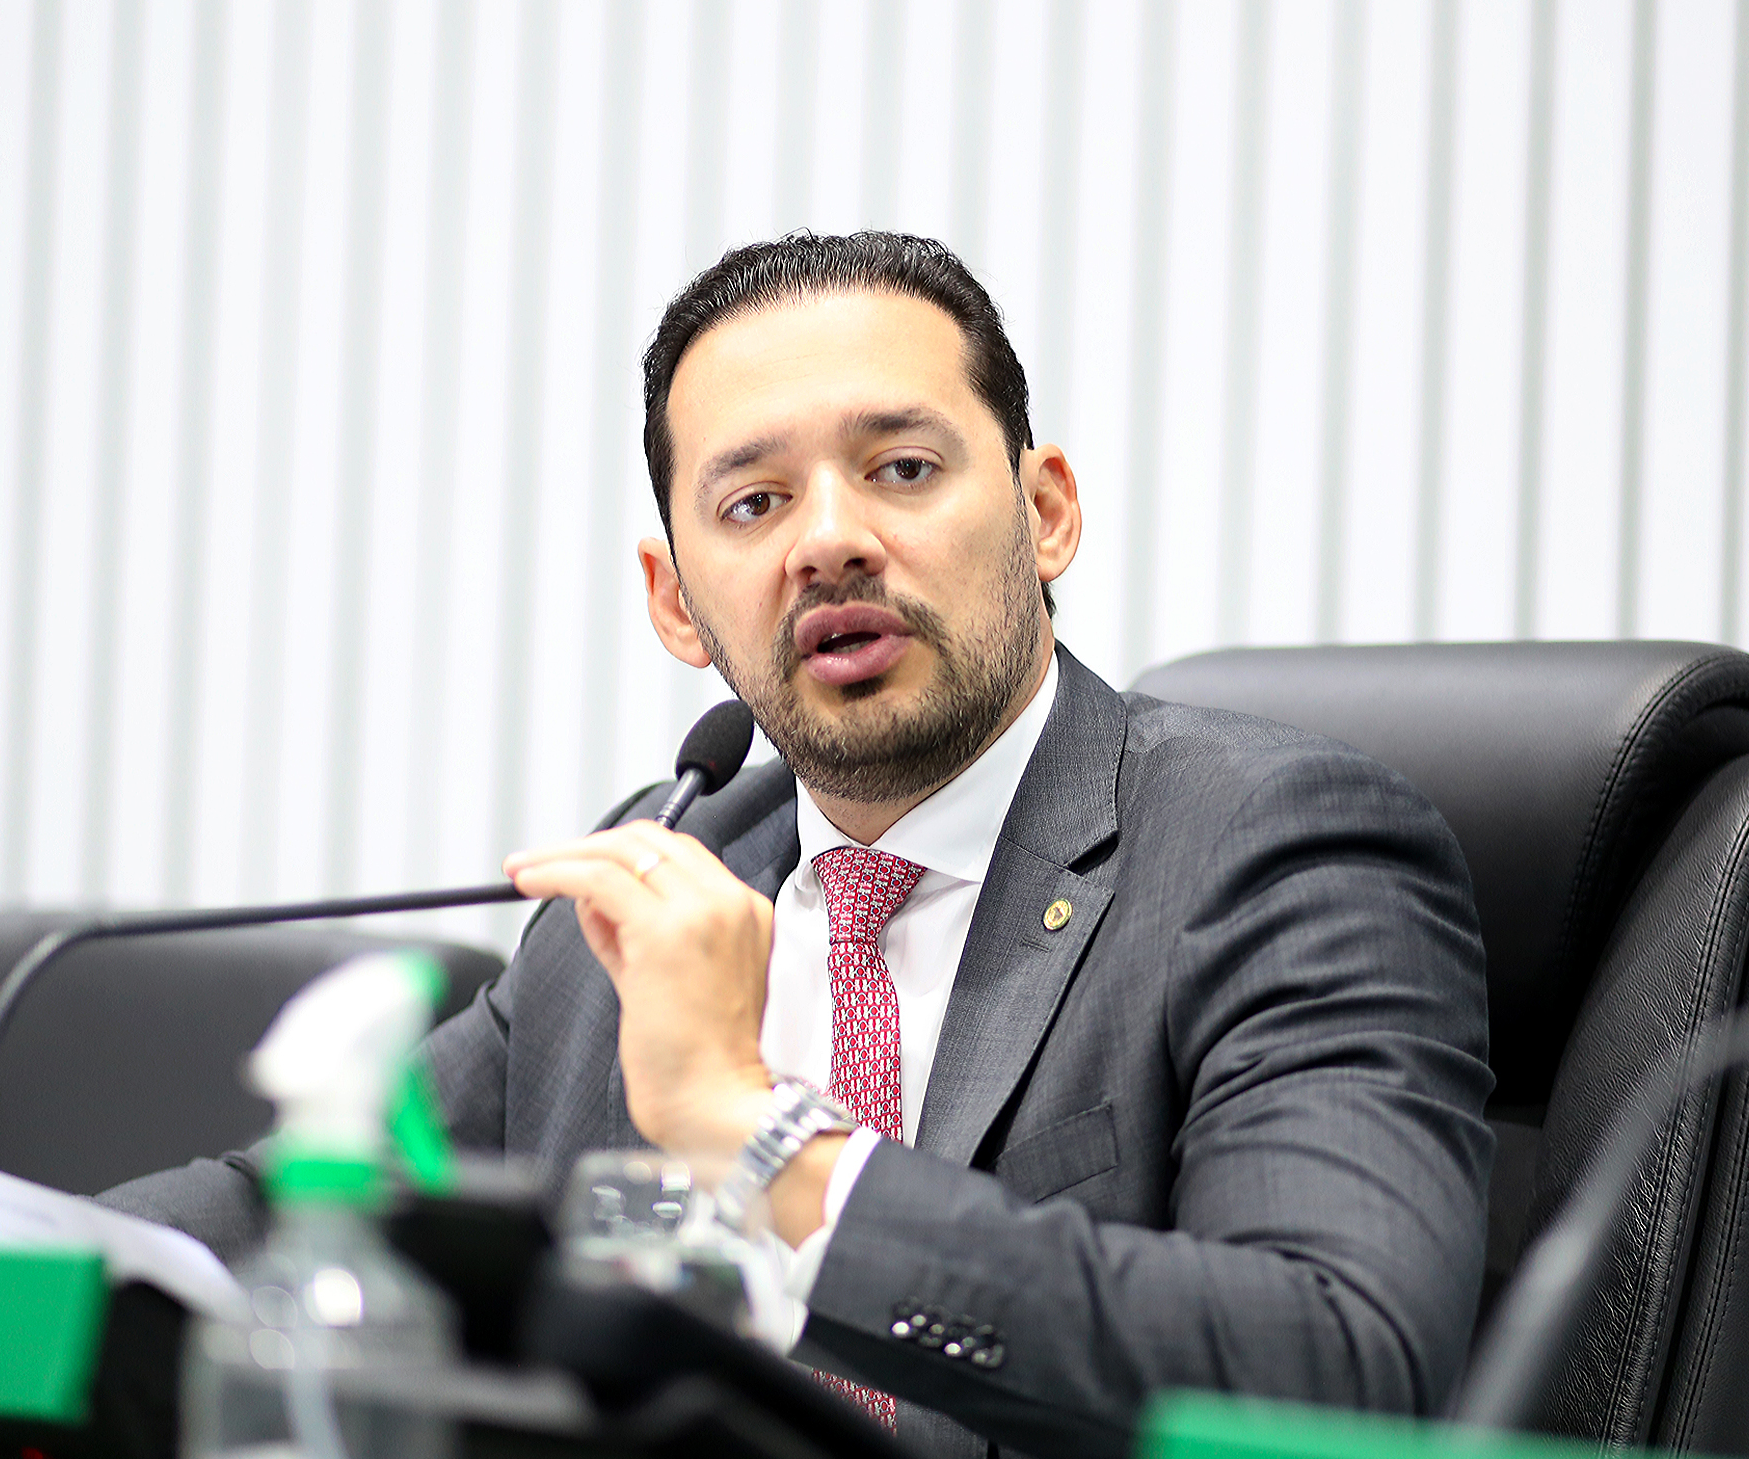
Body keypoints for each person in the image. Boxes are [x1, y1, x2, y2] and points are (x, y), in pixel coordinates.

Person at [104, 231, 1494, 1458]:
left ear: (1045, 512)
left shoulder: (1268, 847)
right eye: (754, 503)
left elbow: (1338, 1367)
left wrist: (752, 1129)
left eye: (902, 469)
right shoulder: (668, 870)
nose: (830, 542)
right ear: (676, 602)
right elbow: (299, 1211)